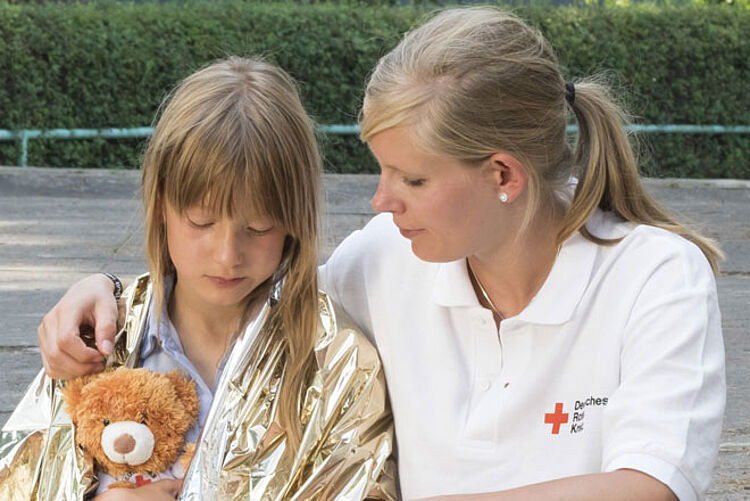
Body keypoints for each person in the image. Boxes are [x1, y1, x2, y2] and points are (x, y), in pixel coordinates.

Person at [34, 7, 725, 501]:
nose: (379, 200)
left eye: (412, 180)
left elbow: (648, 484)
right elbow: (240, 285)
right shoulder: (383, 261)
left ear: (503, 175)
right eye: (381, 169)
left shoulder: (656, 277)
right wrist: (103, 290)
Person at [0, 57, 395, 501]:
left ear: (295, 220)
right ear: (160, 204)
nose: (227, 255)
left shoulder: (339, 365)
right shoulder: (95, 341)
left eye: (259, 227)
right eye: (201, 221)